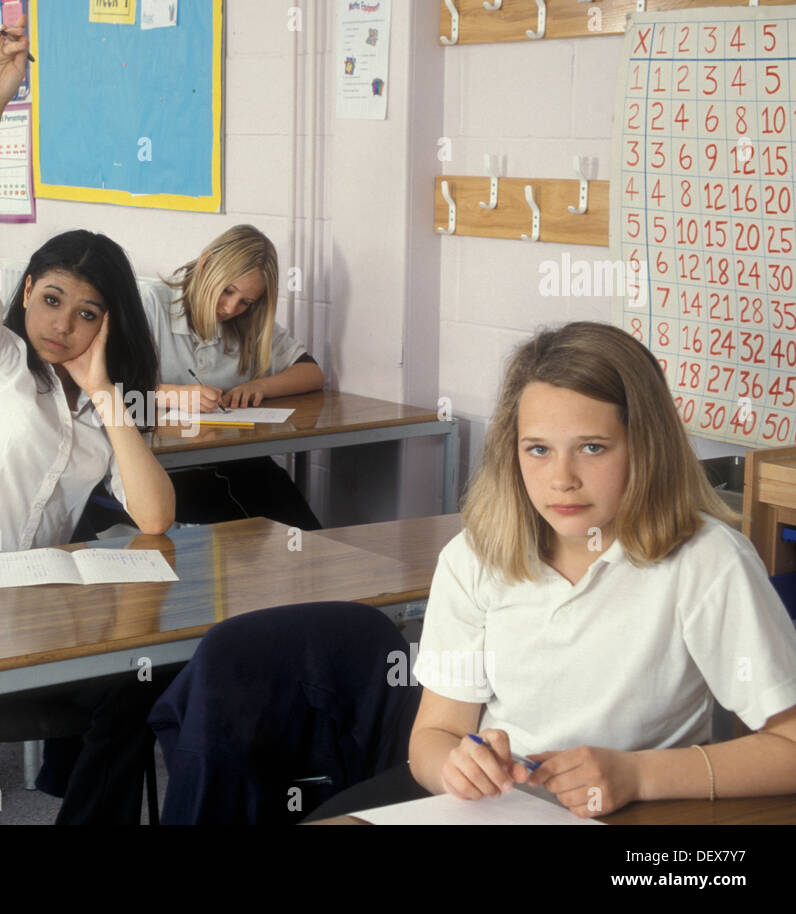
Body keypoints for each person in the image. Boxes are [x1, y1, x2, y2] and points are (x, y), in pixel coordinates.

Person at [0, 17, 176, 823]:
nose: (62, 322)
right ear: (26, 292)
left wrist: (104, 396)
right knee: (136, 692)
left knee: (158, 677)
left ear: (111, 324)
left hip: (37, 625)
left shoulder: (105, 406)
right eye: (52, 298)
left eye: (87, 312)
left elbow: (157, 517)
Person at [406, 321, 796, 817]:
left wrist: (636, 774)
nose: (562, 479)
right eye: (539, 450)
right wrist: (455, 769)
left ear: (645, 448)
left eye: (592, 448)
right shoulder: (474, 558)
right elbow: (433, 737)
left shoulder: (708, 561)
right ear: (513, 450)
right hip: (510, 811)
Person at [142, 226, 324, 529]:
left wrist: (260, 385)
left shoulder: (248, 322)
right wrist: (173, 394)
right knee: (245, 536)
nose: (231, 308)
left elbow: (311, 372)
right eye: (227, 291)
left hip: (237, 461)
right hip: (167, 468)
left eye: (246, 301)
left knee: (307, 535)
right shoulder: (152, 304)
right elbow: (104, 392)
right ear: (205, 263)